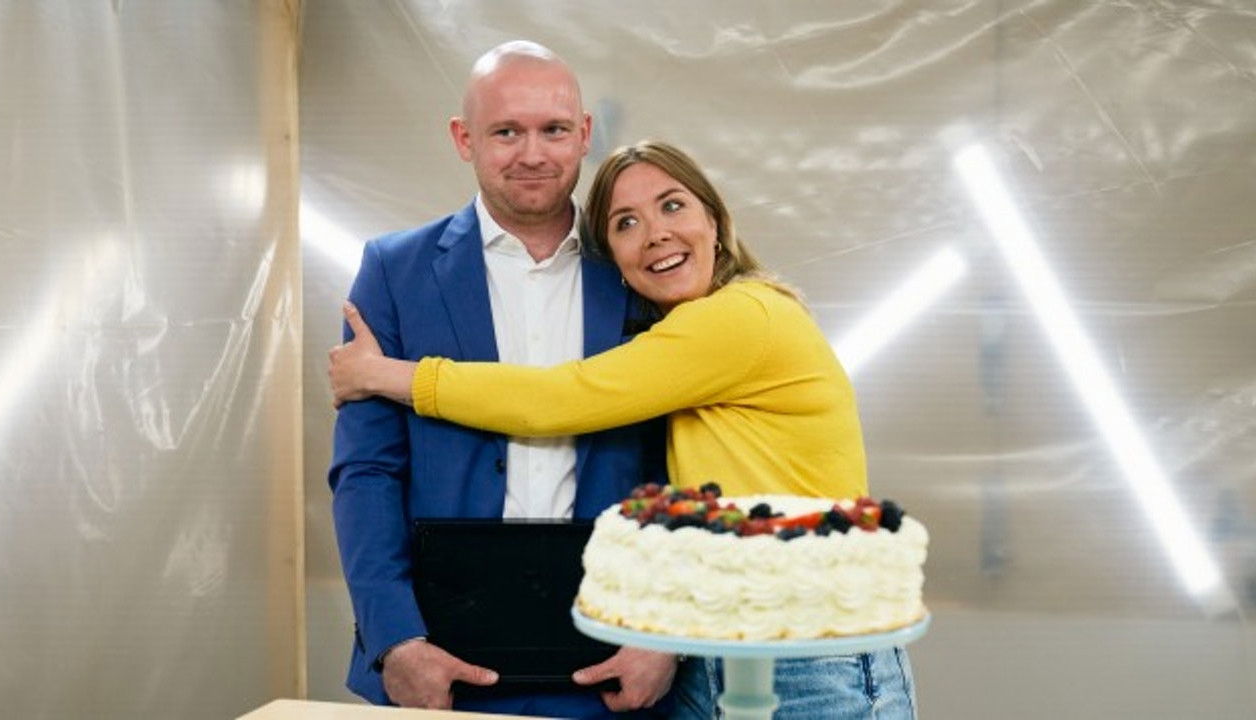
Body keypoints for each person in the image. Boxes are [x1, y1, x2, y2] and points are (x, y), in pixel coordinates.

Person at [329, 139, 919, 719]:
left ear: (714, 222)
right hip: (719, 651)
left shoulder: (743, 316)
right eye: (626, 223)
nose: (656, 233)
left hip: (809, 658)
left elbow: (560, 397)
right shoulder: (682, 340)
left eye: (672, 205)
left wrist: (386, 374)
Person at [327, 41, 680, 718]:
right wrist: (396, 639)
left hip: (616, 660)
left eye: (554, 130)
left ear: (584, 134)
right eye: (506, 132)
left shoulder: (645, 267)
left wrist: (666, 637)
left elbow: (679, 467)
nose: (533, 154)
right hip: (442, 662)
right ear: (465, 139)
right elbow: (366, 474)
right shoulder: (394, 272)